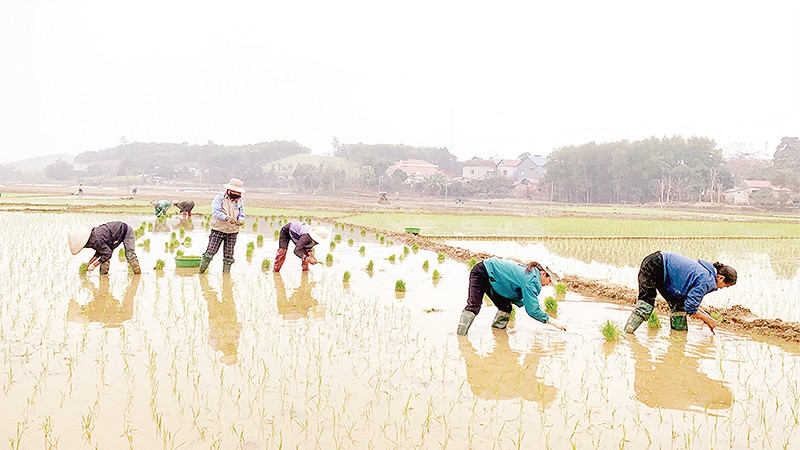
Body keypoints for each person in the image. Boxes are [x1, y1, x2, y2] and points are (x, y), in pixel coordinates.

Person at [624, 251, 737, 334]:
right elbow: (691, 308)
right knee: (645, 306)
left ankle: (678, 339)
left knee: (679, 307)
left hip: (663, 270)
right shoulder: (707, 280)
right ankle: (626, 335)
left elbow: (690, 303)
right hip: (656, 266)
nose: (722, 288)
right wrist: (707, 319)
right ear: (721, 278)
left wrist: (706, 316)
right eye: (725, 286)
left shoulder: (707, 274)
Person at [456, 257, 566, 335]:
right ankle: (461, 338)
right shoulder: (532, 280)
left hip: (495, 279)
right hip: (482, 271)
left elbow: (510, 287)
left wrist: (523, 304)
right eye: (549, 280)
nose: (548, 284)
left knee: (506, 308)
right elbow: (533, 311)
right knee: (474, 306)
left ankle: (498, 335)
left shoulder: (531, 274)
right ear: (543, 274)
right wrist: (553, 321)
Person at [199, 178, 246, 274]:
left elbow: (242, 214)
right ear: (230, 190)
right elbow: (216, 212)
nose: (237, 193)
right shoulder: (220, 198)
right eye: (235, 191)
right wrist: (227, 218)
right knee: (210, 253)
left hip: (232, 231)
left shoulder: (239, 201)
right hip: (218, 229)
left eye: (238, 192)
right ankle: (200, 273)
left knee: (229, 256)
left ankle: (226, 276)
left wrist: (241, 220)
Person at [68, 221, 141, 274]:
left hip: (126, 231)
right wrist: (89, 263)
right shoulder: (93, 239)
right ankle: (104, 276)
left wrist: (94, 265)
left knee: (129, 254)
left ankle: (137, 273)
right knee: (104, 258)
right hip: (112, 237)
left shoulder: (96, 240)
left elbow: (108, 253)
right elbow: (99, 252)